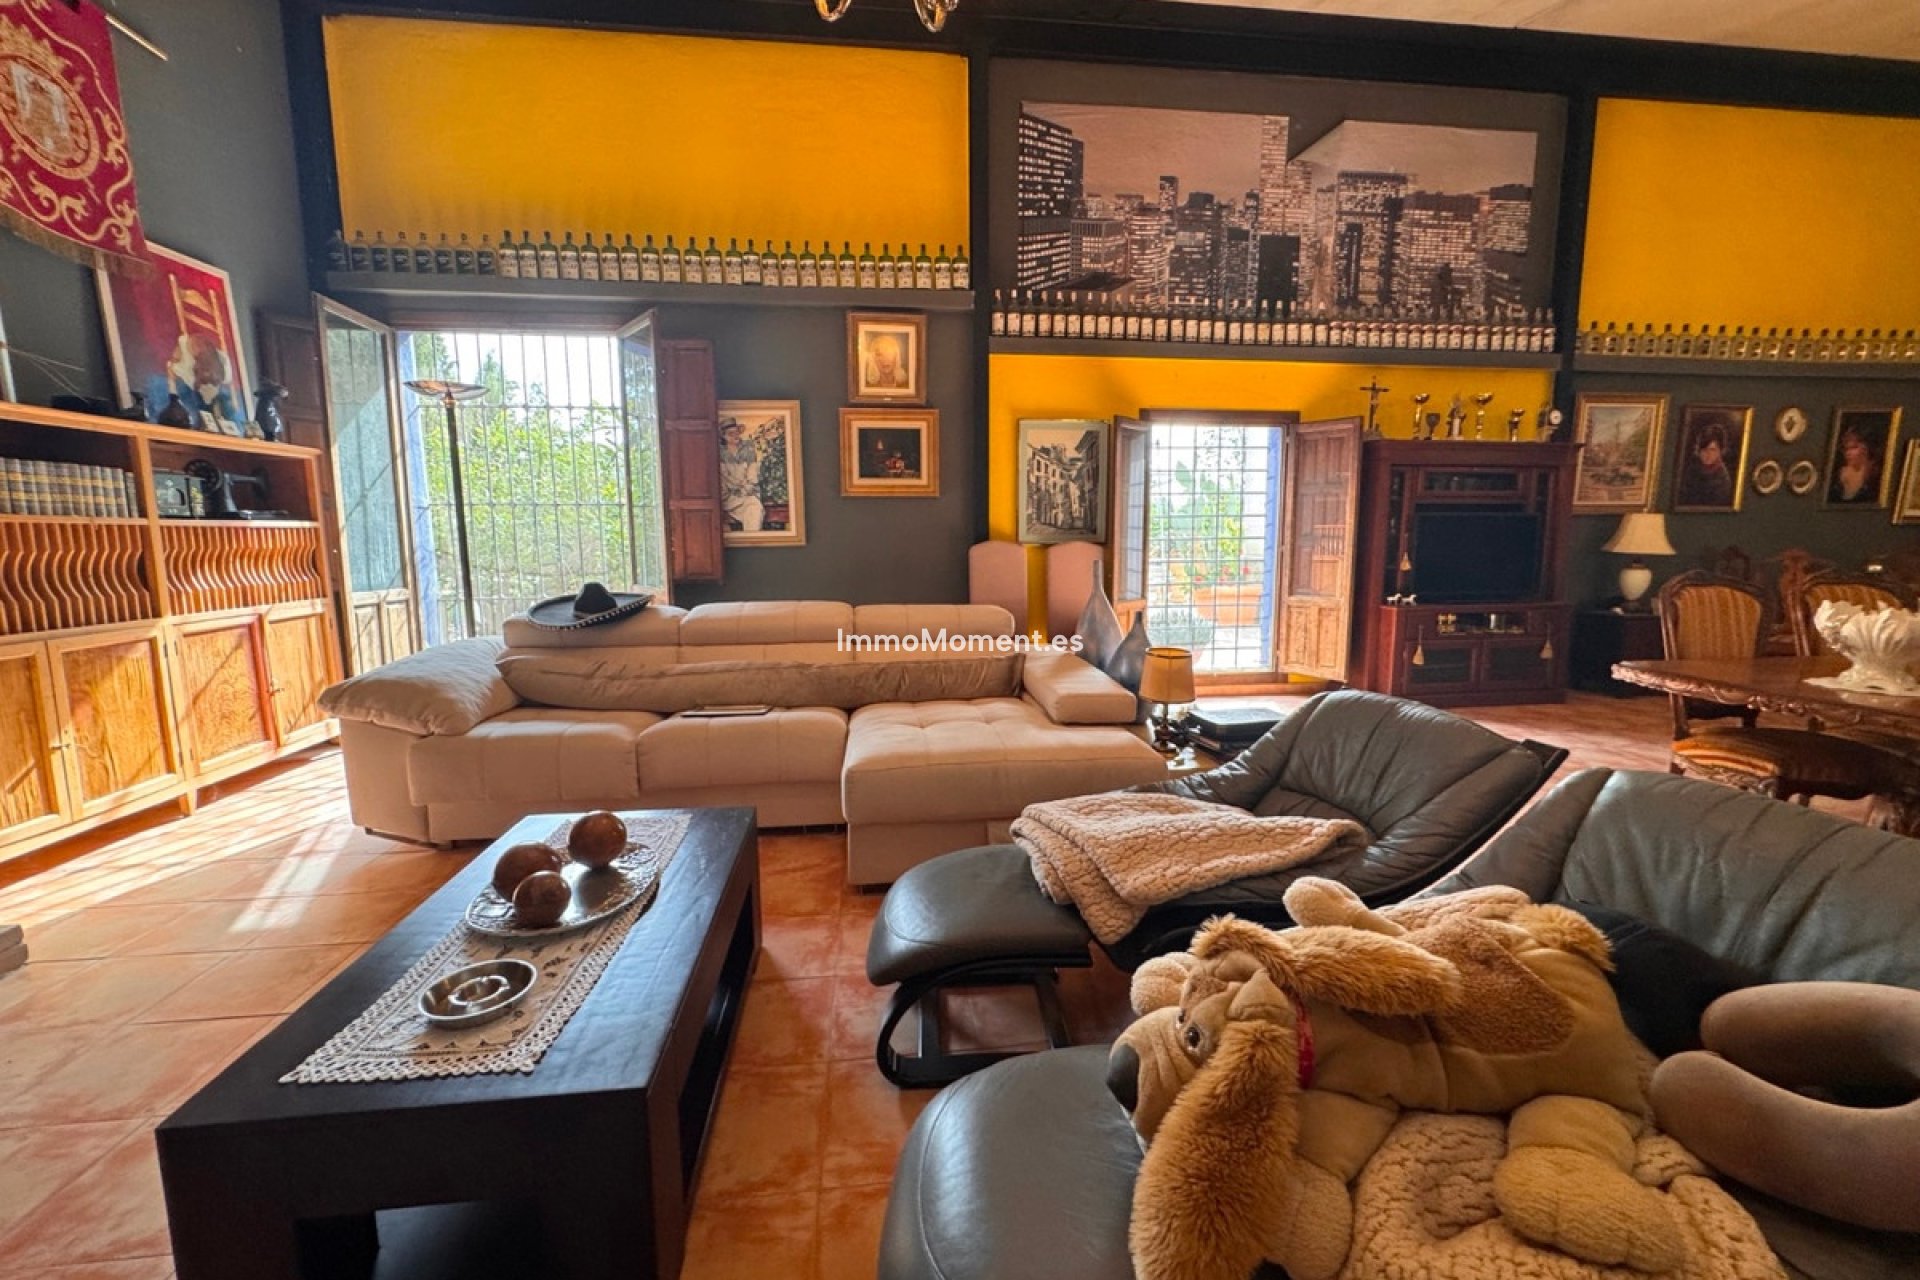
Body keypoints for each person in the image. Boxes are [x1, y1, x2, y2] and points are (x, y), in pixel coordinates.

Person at [1675, 416, 1736, 508]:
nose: (1708, 454)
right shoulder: (1691, 471)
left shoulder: (1723, 479)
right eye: (1704, 449)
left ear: (1720, 451)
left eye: (1712, 450)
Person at [718, 418, 764, 531]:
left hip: (747, 494)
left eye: (737, 432)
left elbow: (752, 475)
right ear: (723, 436)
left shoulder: (748, 449)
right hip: (728, 497)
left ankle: (752, 538)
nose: (735, 436)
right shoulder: (719, 452)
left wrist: (746, 488)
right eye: (731, 434)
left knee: (754, 507)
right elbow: (721, 479)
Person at [1828, 423, 1882, 503]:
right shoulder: (1838, 475)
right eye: (1846, 449)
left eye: (1853, 448)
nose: (1848, 453)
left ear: (1866, 448)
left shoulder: (1875, 475)